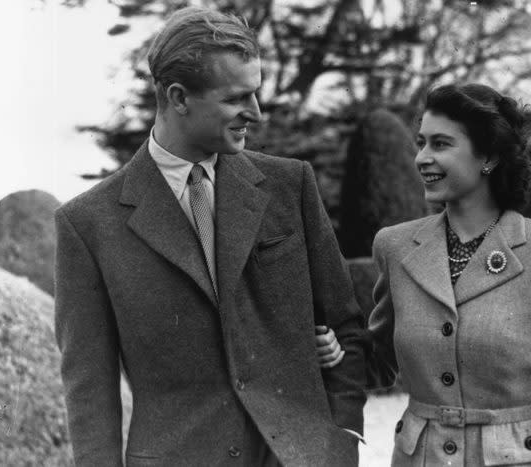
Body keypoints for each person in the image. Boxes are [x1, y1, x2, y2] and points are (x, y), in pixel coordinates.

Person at [54, 7, 366, 466]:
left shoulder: (290, 186)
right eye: (237, 98)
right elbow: (89, 392)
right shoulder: (88, 225)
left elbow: (347, 329)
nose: (256, 113)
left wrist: (340, 440)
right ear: (179, 97)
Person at [316, 83, 531, 466]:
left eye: (440, 144)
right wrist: (335, 353)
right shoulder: (394, 246)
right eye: (421, 143)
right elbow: (381, 362)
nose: (421, 158)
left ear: (488, 156)